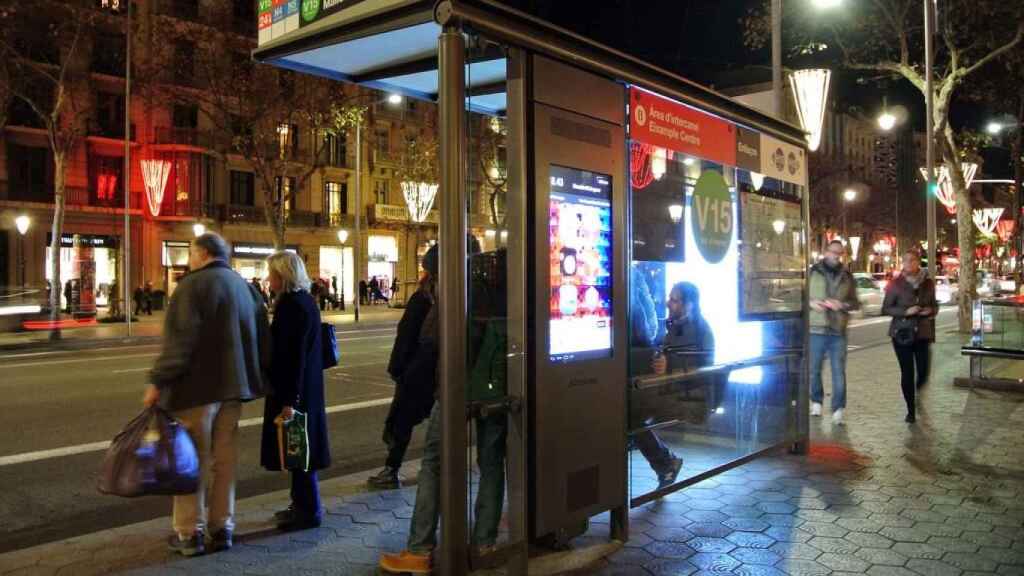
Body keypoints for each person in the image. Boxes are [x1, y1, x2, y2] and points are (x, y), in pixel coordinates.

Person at [143, 232, 269, 557]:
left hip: (198, 390)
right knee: (224, 461)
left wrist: (158, 380)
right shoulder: (246, 288)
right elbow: (261, 339)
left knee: (191, 458)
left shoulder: (192, 286)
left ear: (201, 253)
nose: (190, 261)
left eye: (191, 254)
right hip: (234, 389)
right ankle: (222, 526)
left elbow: (180, 342)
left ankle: (190, 532)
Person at [380, 238, 493, 575]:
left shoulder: (451, 290)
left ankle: (419, 549)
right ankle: (484, 542)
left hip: (455, 387)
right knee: (491, 462)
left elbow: (431, 342)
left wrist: (410, 381)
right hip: (492, 386)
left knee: (433, 461)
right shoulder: (492, 284)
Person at [260, 251, 331, 531]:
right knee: (299, 449)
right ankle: (300, 504)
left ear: (283, 276)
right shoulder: (305, 301)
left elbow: (293, 356)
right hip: (306, 388)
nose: (268, 279)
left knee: (299, 449)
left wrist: (290, 399)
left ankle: (308, 510)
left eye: (272, 274)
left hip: (296, 391)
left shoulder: (292, 306)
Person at [632, 280, 715, 489]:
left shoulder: (701, 330)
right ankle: (665, 462)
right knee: (628, 410)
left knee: (630, 413)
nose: (668, 303)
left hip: (688, 397)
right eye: (670, 299)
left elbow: (704, 367)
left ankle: (666, 462)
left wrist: (669, 363)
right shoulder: (675, 326)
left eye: (674, 300)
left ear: (689, 305)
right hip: (673, 390)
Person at [367, 251, 437, 489]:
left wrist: (397, 369)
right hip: (438, 371)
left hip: (417, 372)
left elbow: (405, 336)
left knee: (401, 420)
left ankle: (391, 469)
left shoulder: (422, 299)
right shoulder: (450, 296)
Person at [809, 240, 860, 425]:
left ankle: (838, 409)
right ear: (825, 252)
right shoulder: (812, 272)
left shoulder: (847, 276)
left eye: (839, 254)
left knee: (839, 371)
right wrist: (811, 303)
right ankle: (816, 401)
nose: (835, 256)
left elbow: (855, 303)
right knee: (814, 369)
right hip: (815, 328)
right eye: (832, 252)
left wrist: (842, 305)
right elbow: (800, 295)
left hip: (838, 330)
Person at [883, 250, 937, 424]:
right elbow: (886, 308)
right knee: (907, 372)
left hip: (923, 332)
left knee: (923, 372)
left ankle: (917, 391)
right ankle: (910, 411)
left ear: (918, 262)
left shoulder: (928, 283)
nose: (909, 264)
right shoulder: (895, 284)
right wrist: (905, 312)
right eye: (905, 261)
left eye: (912, 260)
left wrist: (931, 311)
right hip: (902, 334)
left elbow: (934, 305)